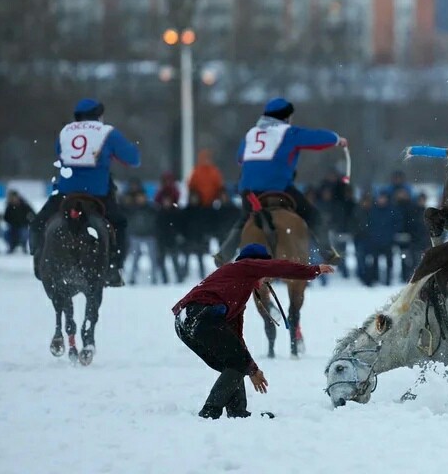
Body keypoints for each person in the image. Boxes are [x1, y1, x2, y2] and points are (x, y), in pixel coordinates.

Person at [173, 243, 334, 419]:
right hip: (201, 315)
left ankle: (237, 411)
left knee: (234, 361)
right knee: (236, 361)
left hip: (184, 322)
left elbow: (237, 339)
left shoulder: (236, 288)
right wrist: (313, 270)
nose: (267, 280)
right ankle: (210, 410)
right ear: (259, 264)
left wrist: (252, 369)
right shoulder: (245, 266)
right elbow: (278, 266)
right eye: (265, 274)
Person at [214, 98, 348, 266]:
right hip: (278, 187)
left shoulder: (251, 134)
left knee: (244, 219)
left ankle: (224, 253)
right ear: (286, 116)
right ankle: (328, 253)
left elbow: (240, 159)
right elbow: (316, 139)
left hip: (248, 190)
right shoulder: (288, 132)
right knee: (313, 216)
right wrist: (336, 139)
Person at [29, 99, 141, 286]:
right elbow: (133, 159)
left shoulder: (65, 132)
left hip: (65, 192)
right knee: (119, 224)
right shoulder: (107, 132)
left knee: (39, 222)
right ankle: (114, 267)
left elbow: (60, 153)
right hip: (97, 193)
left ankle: (39, 258)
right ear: (99, 115)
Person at [124, 191, 159, 285]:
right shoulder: (132, 208)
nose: (140, 199)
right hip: (136, 235)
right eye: (139, 197)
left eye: (142, 197)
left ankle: (154, 277)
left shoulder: (151, 208)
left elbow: (156, 220)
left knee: (153, 258)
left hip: (149, 235)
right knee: (135, 258)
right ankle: (132, 277)